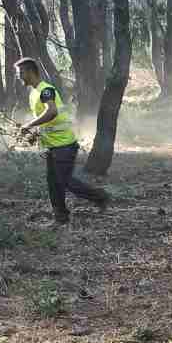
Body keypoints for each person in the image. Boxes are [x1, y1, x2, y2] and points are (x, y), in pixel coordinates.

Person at [15, 58, 108, 226]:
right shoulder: (34, 93)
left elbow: (52, 112)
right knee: (53, 184)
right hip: (52, 145)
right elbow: (46, 121)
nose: (19, 76)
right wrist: (34, 134)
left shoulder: (46, 90)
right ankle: (61, 218)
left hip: (64, 145)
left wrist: (29, 124)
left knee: (64, 181)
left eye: (21, 72)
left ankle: (100, 196)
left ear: (30, 72)